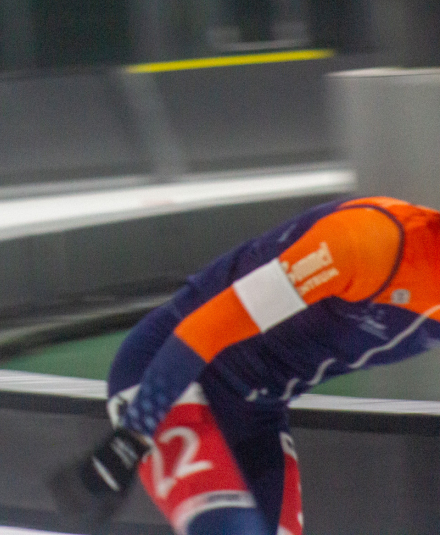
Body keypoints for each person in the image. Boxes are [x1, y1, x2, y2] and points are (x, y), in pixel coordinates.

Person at [50, 195, 440, 535]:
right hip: (175, 368)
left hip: (256, 409)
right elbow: (204, 330)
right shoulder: (370, 241)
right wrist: (131, 437)